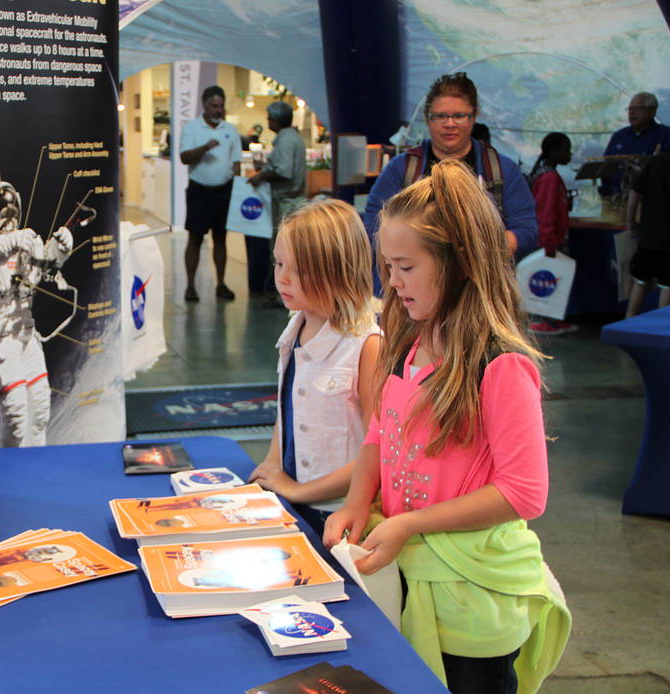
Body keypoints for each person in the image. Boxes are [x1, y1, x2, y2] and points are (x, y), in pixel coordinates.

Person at [326, 159, 571, 694]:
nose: (391, 281)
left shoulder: (500, 364)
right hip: (406, 571)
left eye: (406, 267)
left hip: (472, 597)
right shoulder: (408, 344)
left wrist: (411, 524)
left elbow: (525, 494)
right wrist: (353, 503)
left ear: (457, 261)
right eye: (388, 266)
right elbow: (380, 435)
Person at [248, 200, 382, 534]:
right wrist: (271, 467)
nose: (283, 279)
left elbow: (378, 454)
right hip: (290, 502)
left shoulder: (367, 344)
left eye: (300, 270)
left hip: (339, 515)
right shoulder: (294, 330)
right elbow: (289, 411)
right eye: (279, 264)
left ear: (337, 269)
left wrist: (299, 490)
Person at [362, 72, 538, 264]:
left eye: (460, 116)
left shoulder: (502, 170)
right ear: (428, 118)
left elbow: (527, 230)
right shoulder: (401, 170)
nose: (450, 124)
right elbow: (373, 228)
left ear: (474, 116)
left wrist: (475, 250)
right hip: (412, 288)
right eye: (440, 116)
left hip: (481, 285)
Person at [0, 181, 73, 447]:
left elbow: (43, 270)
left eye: (13, 204)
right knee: (15, 414)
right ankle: (10, 470)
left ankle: (35, 467)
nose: (9, 212)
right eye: (2, 205)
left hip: (25, 334)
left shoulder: (25, 241)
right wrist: (12, 241)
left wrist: (59, 250)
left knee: (39, 409)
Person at [179, 84, 241, 302]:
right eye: (214, 106)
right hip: (199, 191)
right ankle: (190, 286)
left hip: (224, 192)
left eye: (221, 106)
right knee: (195, 238)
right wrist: (205, 147)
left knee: (221, 239)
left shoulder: (230, 131)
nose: (218, 110)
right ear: (204, 105)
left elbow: (236, 164)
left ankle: (221, 284)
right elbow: (184, 157)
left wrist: (238, 189)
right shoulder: (192, 129)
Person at [247, 100, 308, 307]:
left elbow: (284, 171)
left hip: (287, 202)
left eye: (269, 117)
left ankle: (286, 297)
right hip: (289, 200)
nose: (267, 121)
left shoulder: (286, 140)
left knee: (285, 251)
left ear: (276, 119)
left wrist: (262, 175)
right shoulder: (291, 138)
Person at [528, 132, 578, 335]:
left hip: (553, 240)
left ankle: (554, 320)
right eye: (566, 149)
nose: (570, 154)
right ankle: (543, 320)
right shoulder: (548, 177)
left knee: (556, 278)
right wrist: (548, 245)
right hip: (549, 242)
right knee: (546, 280)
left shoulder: (549, 175)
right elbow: (545, 213)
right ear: (554, 151)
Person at [625, 144, 670, 316]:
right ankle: (660, 333)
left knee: (640, 281)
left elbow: (634, 193)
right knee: (669, 286)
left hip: (648, 236)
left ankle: (627, 325)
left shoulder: (657, 161)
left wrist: (630, 221)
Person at [600, 92, 670, 196]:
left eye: (637, 108)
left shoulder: (667, 135)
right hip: (614, 197)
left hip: (649, 199)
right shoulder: (619, 136)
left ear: (652, 111)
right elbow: (605, 166)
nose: (631, 113)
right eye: (630, 109)